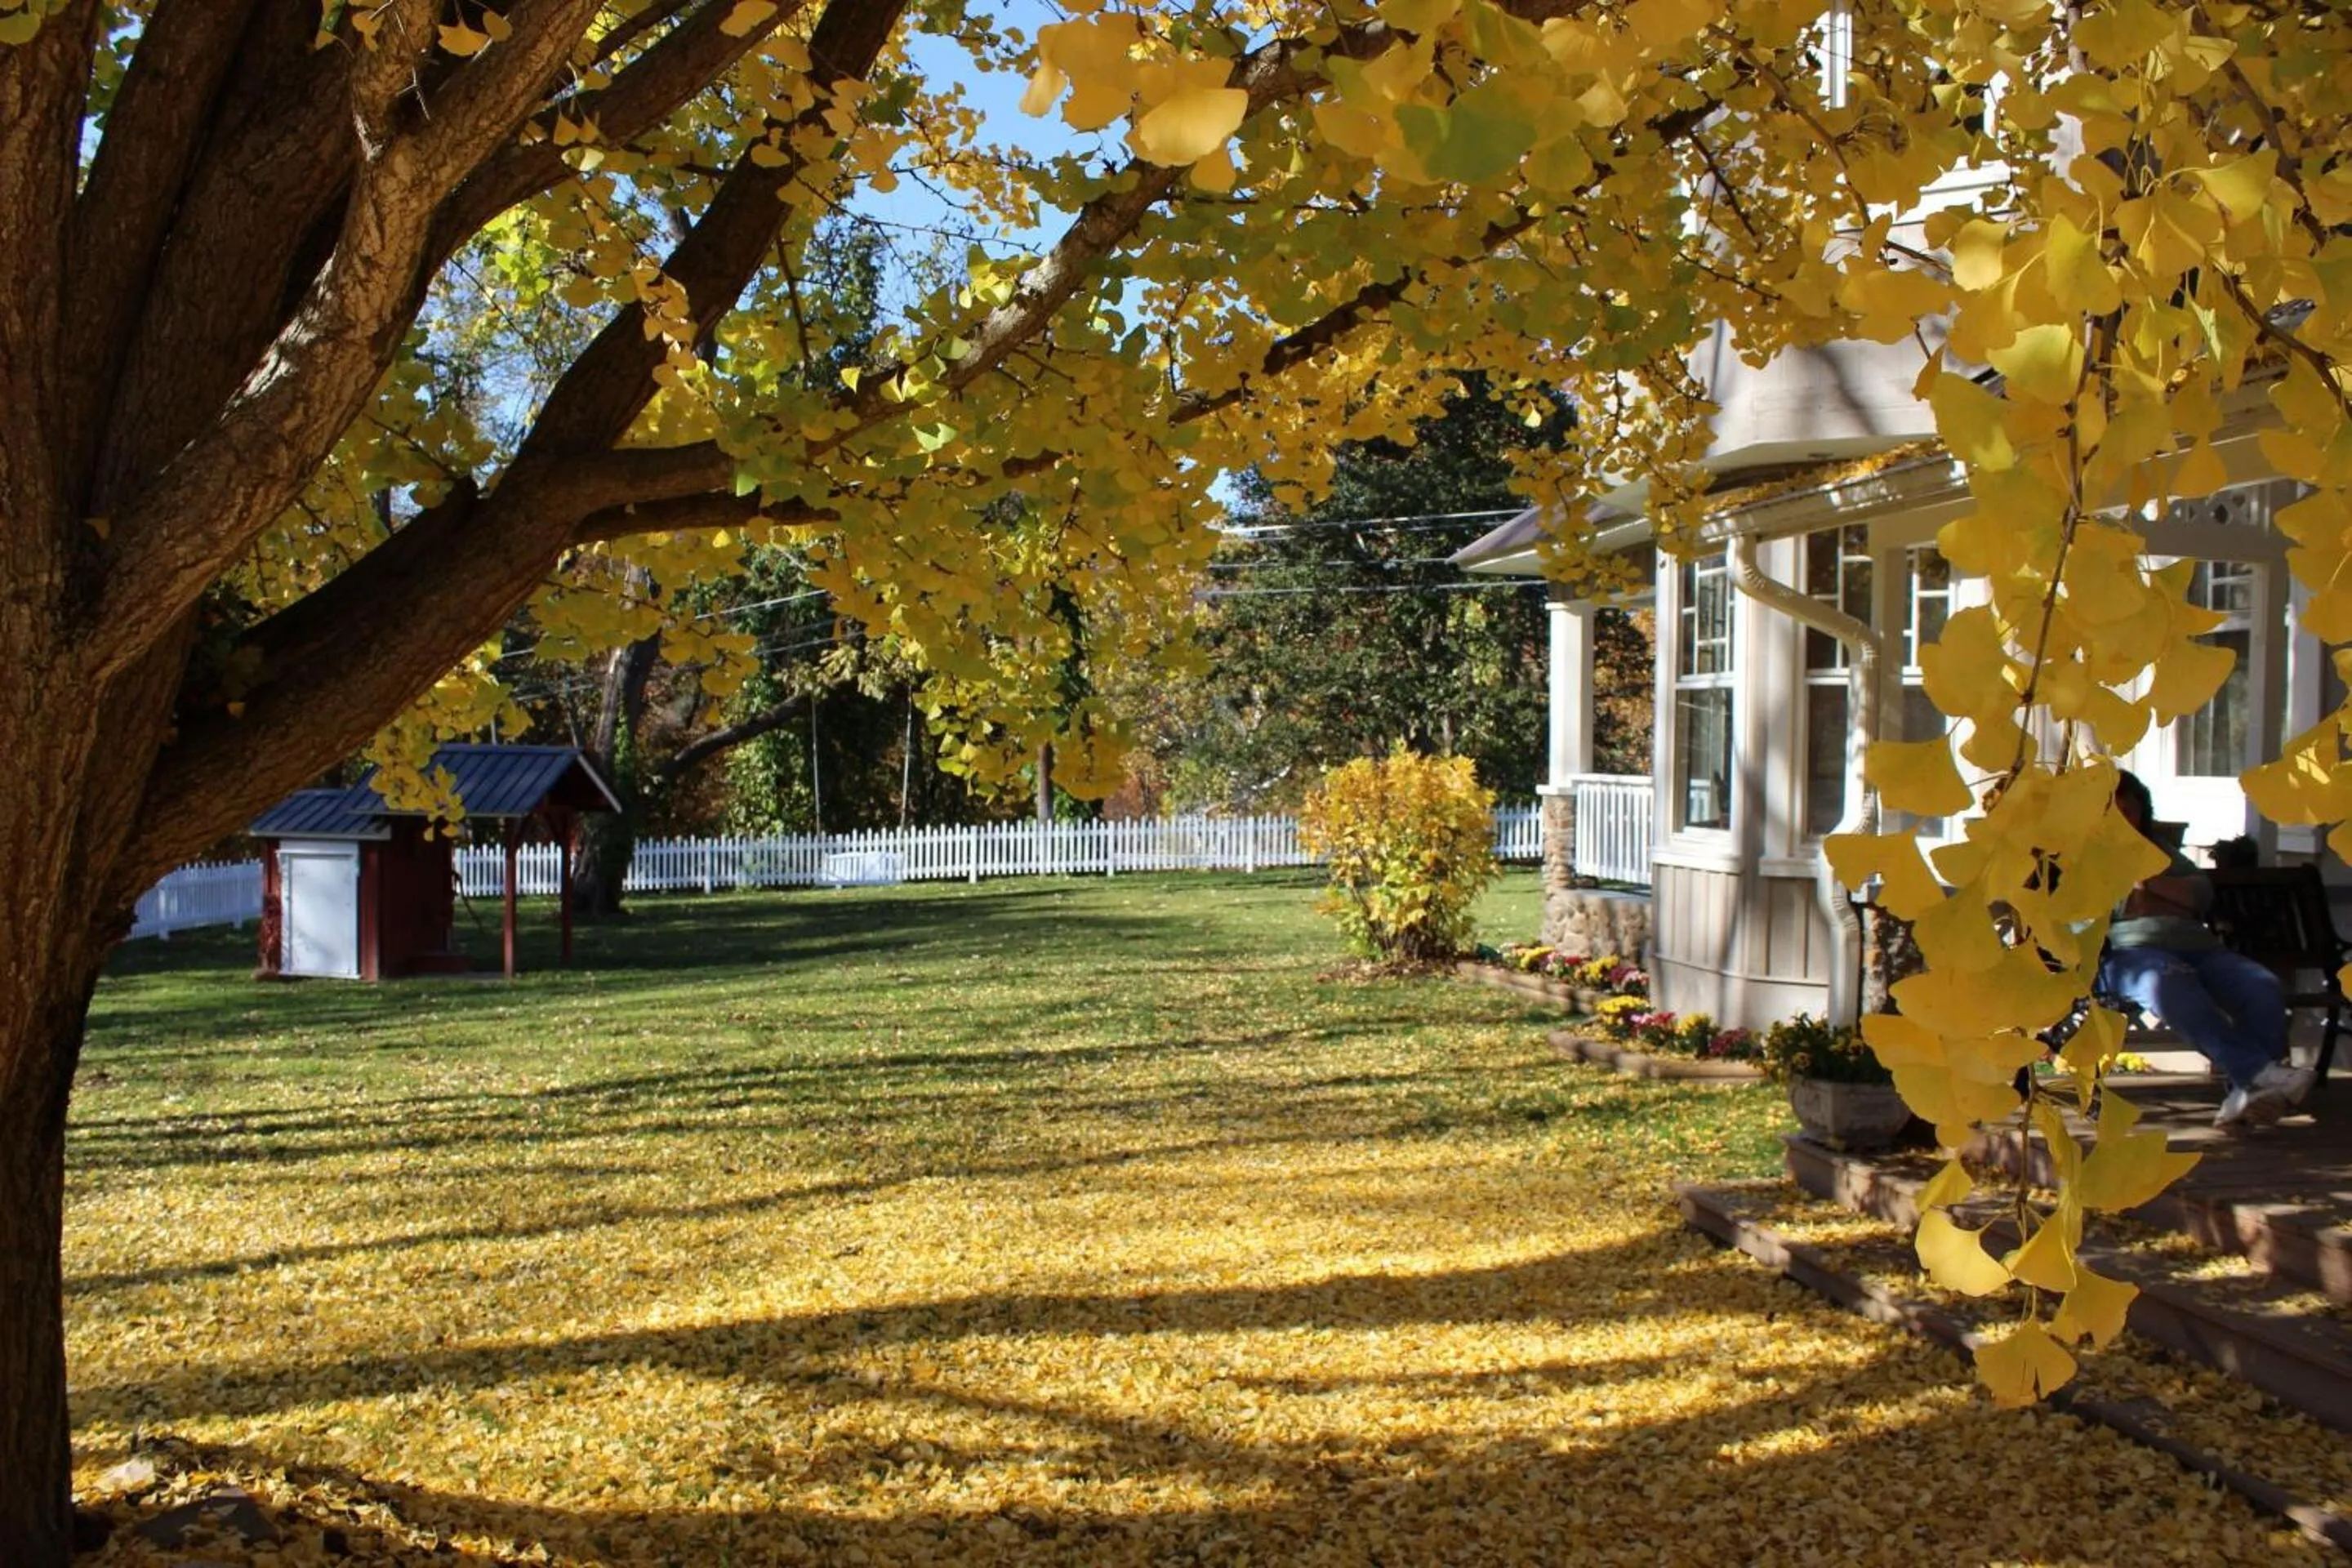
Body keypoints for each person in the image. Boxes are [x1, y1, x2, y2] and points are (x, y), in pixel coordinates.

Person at [2099, 769, 2314, 1129]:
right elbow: (2098, 913)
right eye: (2112, 809)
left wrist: (2147, 884)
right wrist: (2163, 895)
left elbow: (2200, 894)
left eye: (2130, 810)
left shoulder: (2158, 850)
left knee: (2261, 986)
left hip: (2199, 946)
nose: (2123, 818)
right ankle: (2261, 1075)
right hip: (2129, 955)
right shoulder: (2078, 856)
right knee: (2169, 983)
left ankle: (2247, 1092)